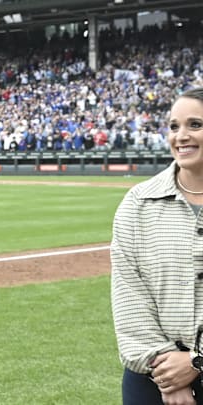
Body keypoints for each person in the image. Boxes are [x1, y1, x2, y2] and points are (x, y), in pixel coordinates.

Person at [111, 87, 203, 405]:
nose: (182, 136)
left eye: (195, 124)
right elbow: (129, 294)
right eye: (174, 126)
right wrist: (167, 370)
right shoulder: (138, 202)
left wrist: (196, 361)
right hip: (152, 380)